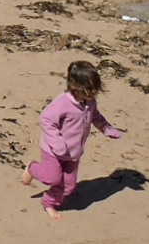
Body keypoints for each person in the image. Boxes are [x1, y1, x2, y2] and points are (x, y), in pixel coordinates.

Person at [21, 59, 123, 218]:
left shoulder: (90, 103)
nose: (93, 93)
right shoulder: (63, 103)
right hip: (53, 151)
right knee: (52, 178)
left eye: (96, 89)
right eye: (89, 90)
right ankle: (32, 168)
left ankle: (48, 202)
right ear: (75, 86)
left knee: (68, 186)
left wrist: (106, 128)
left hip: (73, 153)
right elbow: (46, 119)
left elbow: (95, 117)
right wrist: (58, 143)